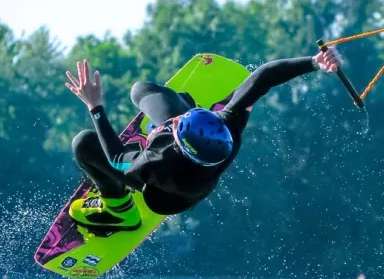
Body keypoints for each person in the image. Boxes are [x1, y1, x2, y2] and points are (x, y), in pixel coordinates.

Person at [64, 48, 343, 230]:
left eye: (175, 124)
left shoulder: (156, 161)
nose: (173, 120)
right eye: (183, 117)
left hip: (165, 196)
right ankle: (187, 106)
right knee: (141, 91)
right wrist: (315, 62)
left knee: (84, 144)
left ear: (179, 146)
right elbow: (264, 77)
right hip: (194, 170)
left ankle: (118, 208)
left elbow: (115, 159)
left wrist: (95, 106)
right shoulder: (228, 126)